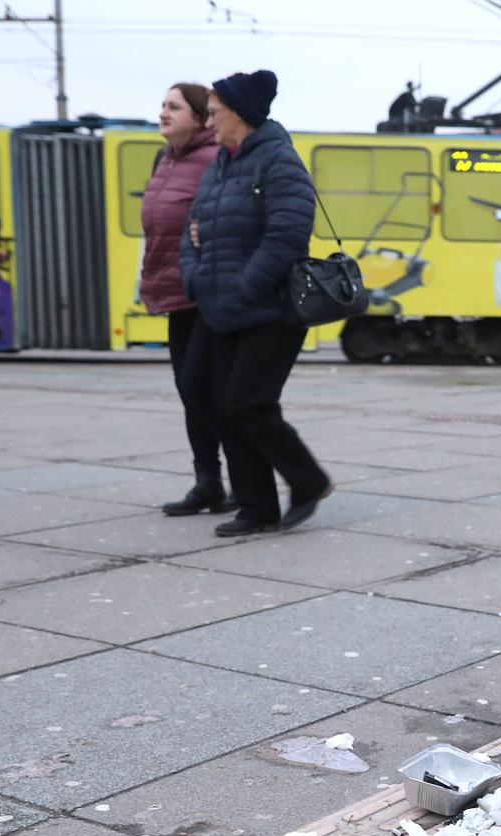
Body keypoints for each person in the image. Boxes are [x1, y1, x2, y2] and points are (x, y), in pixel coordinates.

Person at [182, 69, 332, 537]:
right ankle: (257, 507)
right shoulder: (222, 164)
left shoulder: (278, 161)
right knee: (216, 400)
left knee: (248, 403)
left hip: (270, 309)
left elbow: (288, 234)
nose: (209, 122)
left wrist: (245, 286)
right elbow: (193, 229)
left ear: (240, 114)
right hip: (221, 306)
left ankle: (308, 480)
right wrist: (195, 277)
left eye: (214, 114)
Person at [141, 82, 225, 516]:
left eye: (174, 107)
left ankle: (243, 481)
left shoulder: (215, 159)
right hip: (175, 292)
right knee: (191, 393)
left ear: (199, 116)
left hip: (205, 292)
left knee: (204, 388)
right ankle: (207, 483)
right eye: (162, 105)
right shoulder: (165, 159)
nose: (163, 113)